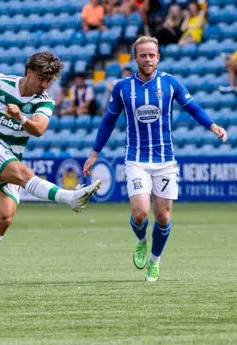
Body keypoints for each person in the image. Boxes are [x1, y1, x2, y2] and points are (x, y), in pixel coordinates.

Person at [0, 53, 102, 297]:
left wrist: (21, 117)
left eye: (49, 81)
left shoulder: (45, 101)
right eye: (41, 78)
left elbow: (39, 129)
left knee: (4, 219)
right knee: (24, 174)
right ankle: (69, 198)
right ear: (28, 71)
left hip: (10, 156)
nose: (44, 84)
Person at [83, 36, 227, 282]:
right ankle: (141, 240)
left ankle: (155, 261)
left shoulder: (170, 83)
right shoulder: (122, 88)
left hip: (165, 160)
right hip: (136, 159)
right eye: (143, 55)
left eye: (152, 55)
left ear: (158, 57)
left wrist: (212, 126)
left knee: (163, 217)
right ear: (135, 57)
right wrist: (95, 153)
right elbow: (108, 121)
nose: (147, 59)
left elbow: (193, 108)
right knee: (140, 213)